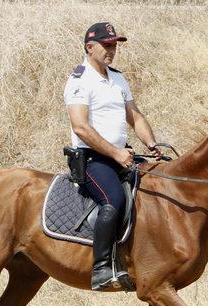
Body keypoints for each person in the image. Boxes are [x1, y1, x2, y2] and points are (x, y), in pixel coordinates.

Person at [63, 22, 162, 291]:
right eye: (107, 45)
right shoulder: (79, 80)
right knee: (114, 199)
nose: (112, 50)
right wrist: (116, 153)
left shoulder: (117, 78)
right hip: (93, 160)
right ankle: (102, 269)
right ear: (89, 47)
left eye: (114, 45)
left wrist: (151, 142)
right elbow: (80, 127)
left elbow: (135, 116)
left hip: (122, 155)